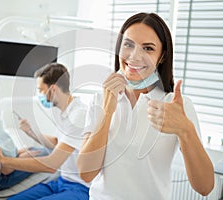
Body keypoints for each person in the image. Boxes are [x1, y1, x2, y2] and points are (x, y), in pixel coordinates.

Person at [77, 12, 214, 200]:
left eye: (148, 48)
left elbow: (205, 187)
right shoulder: (99, 99)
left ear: (162, 56)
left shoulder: (174, 106)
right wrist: (108, 111)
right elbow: (85, 173)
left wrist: (186, 130)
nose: (134, 56)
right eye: (128, 44)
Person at [0, 63, 90, 200]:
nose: (39, 95)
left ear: (53, 89)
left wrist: (3, 160)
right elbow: (57, 143)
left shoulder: (78, 116)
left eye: (41, 90)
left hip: (80, 188)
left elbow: (52, 164)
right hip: (61, 181)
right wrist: (31, 132)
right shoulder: (64, 112)